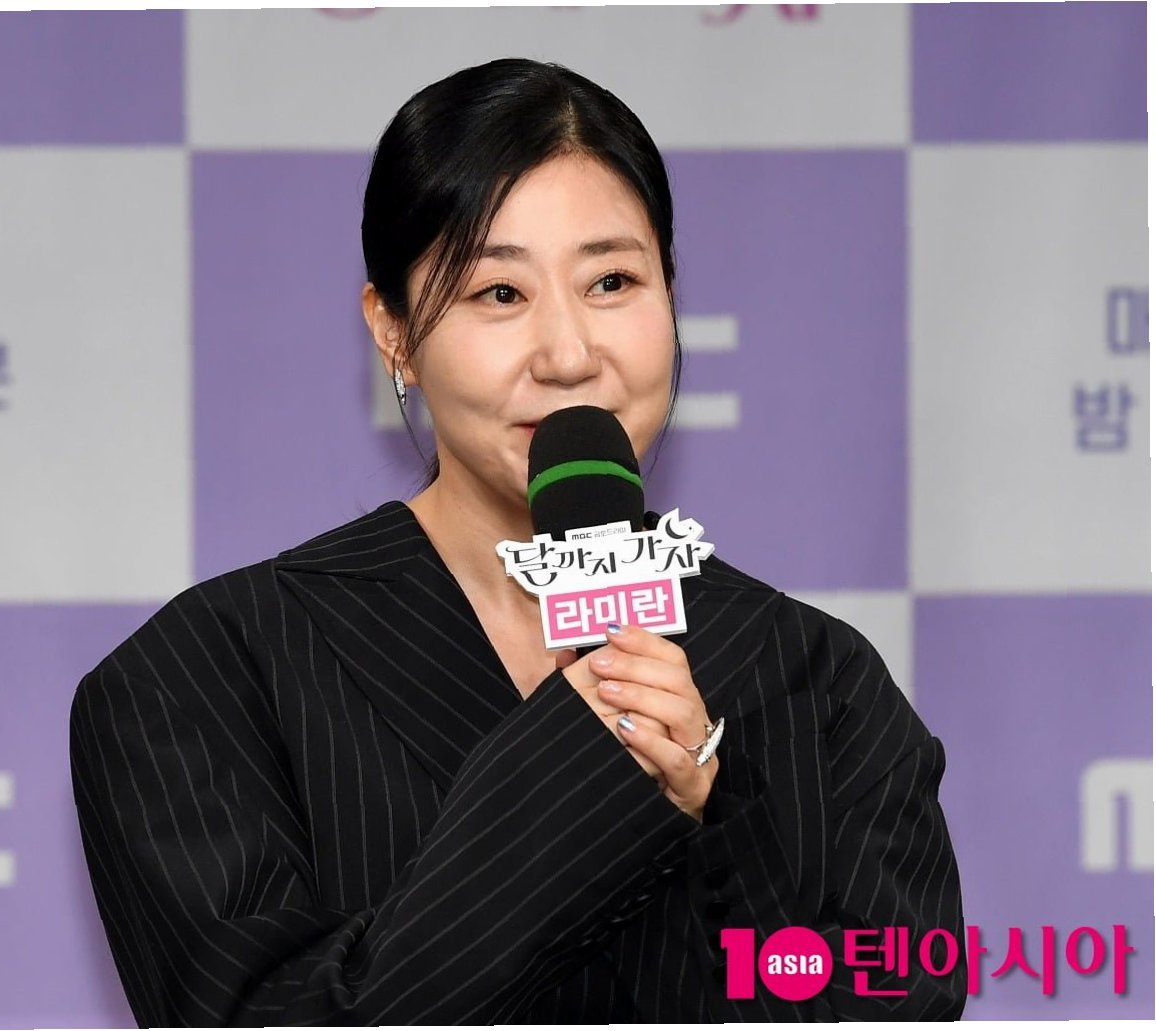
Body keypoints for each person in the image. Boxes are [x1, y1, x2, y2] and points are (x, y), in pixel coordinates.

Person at [69, 58, 966, 1025]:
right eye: (499, 293)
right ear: (394, 332)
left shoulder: (816, 680)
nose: (570, 354)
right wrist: (583, 771)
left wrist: (719, 816)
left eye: (613, 281)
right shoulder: (200, 678)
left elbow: (899, 998)